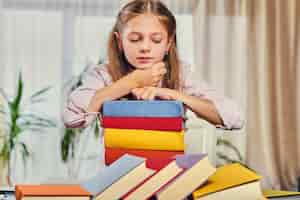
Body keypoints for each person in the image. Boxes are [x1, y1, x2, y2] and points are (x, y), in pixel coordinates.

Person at [63, 0, 244, 132]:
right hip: (117, 173)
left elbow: (234, 117)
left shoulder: (181, 73)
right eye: (135, 39)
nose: (145, 47)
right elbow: (72, 117)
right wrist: (132, 81)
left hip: (169, 172)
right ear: (120, 42)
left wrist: (173, 95)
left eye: (156, 40)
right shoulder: (103, 75)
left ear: (168, 43)